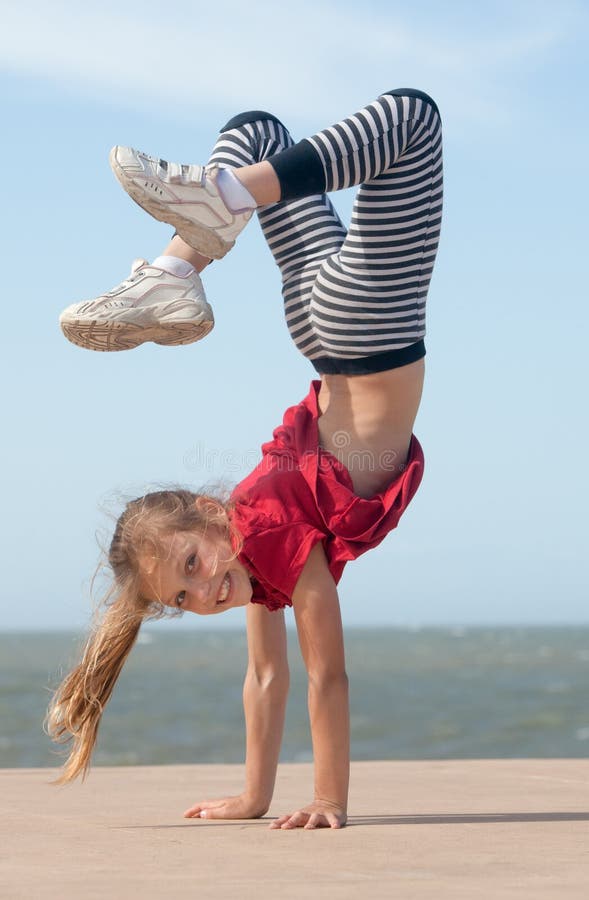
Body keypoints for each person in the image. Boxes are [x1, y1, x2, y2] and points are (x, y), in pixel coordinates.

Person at [48, 89, 443, 830]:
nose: (203, 595)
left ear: (210, 514)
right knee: (254, 132)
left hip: (368, 329)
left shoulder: (273, 544)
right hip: (319, 324)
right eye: (183, 598)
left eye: (191, 566)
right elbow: (265, 678)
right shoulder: (258, 561)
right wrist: (253, 798)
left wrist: (327, 799)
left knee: (414, 119)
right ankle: (179, 261)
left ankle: (208, 218)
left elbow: (327, 677)